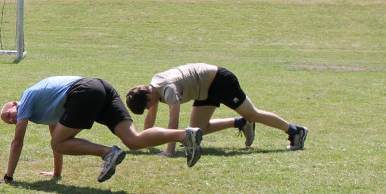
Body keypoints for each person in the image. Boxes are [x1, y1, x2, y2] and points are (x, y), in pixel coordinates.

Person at [0, 75, 203, 185]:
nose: (13, 120)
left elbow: (17, 141)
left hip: (83, 91)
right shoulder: (43, 108)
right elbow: (56, 135)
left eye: (10, 114)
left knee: (57, 142)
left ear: (14, 103)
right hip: (101, 87)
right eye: (9, 122)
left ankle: (108, 153)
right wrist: (56, 173)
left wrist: (8, 178)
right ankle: (186, 135)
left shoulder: (27, 97)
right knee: (133, 140)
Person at [125, 63, 308, 153]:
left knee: (253, 113)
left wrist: (169, 151)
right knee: (199, 130)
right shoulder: (153, 89)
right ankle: (241, 123)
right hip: (204, 90)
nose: (151, 108)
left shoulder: (167, 89)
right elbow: (151, 117)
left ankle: (296, 131)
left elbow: (173, 122)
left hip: (220, 81)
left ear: (148, 96)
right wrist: (144, 141)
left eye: (148, 105)